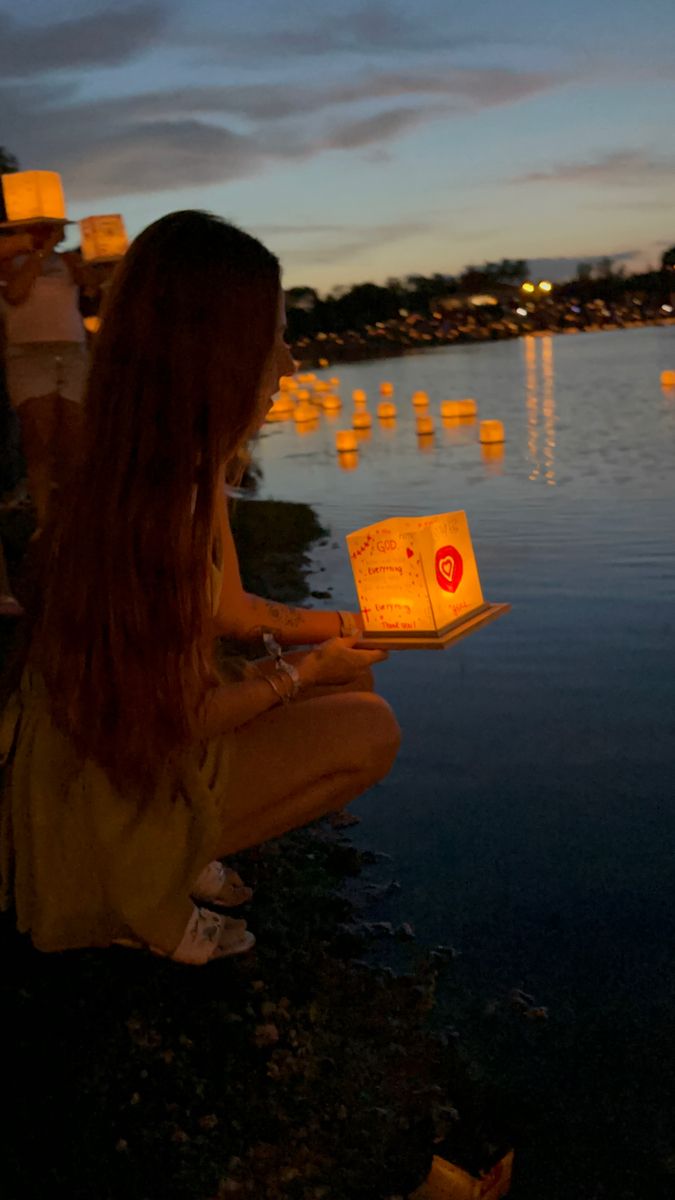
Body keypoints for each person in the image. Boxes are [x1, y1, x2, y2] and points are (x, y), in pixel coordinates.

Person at [0, 210, 401, 965]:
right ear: (214, 352)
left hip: (112, 744)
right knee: (368, 733)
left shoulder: (178, 458)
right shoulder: (155, 506)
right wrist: (298, 672)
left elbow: (228, 611)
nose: (285, 363)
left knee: (360, 673)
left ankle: (173, 842)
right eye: (269, 339)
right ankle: (135, 874)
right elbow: (178, 716)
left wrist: (359, 619)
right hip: (110, 783)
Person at [0, 218, 88, 531]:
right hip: (29, 356)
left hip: (72, 353)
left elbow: (89, 287)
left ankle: (75, 515)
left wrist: (82, 267)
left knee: (74, 437)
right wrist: (39, 252)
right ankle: (44, 521)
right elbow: (15, 295)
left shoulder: (67, 260)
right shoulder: (10, 262)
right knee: (39, 437)